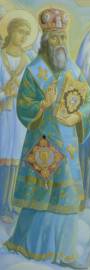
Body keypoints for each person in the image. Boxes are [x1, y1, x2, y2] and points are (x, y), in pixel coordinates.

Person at [4, 8, 90, 266]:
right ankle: (28, 245)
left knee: (65, 196)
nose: (59, 43)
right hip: (41, 142)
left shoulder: (72, 68)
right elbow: (24, 106)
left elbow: (89, 101)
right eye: (54, 38)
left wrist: (77, 117)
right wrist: (42, 105)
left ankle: (65, 253)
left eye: (62, 38)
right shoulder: (34, 70)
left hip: (67, 144)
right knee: (40, 194)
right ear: (45, 41)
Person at [0, 12, 34, 224]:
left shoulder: (27, 61)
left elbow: (30, 91)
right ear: (10, 31)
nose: (22, 36)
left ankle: (9, 205)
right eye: (20, 32)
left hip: (18, 120)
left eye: (26, 34)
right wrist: (6, 94)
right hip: (3, 115)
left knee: (14, 163)